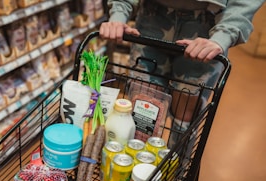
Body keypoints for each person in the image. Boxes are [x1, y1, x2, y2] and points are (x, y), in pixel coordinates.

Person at [100, 0, 264, 148]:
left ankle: (173, 174)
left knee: (184, 120)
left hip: (208, 27)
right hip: (151, 16)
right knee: (143, 113)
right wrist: (119, 12)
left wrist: (225, 34)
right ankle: (135, 173)